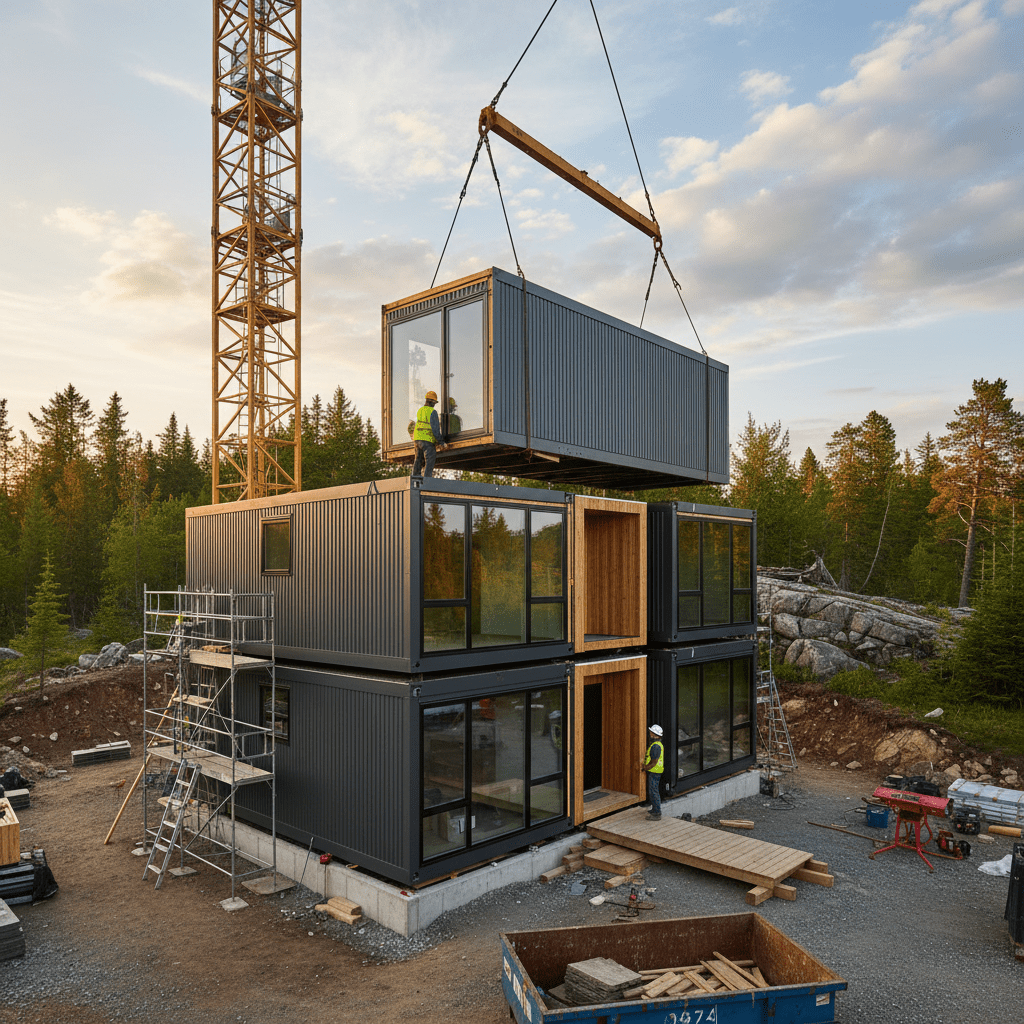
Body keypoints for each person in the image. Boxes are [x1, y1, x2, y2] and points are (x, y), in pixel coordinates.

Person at [412, 390, 445, 477]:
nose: (435, 404)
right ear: (432, 402)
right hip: (427, 439)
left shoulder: (420, 410)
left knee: (418, 459)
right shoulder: (432, 412)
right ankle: (427, 480)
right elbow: (435, 429)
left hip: (417, 438)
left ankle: (415, 477)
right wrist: (441, 442)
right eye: (434, 402)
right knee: (430, 460)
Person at [641, 724, 665, 821]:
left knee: (653, 791)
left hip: (654, 772)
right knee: (653, 791)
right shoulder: (657, 745)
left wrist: (645, 768)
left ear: (655, 734)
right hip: (655, 772)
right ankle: (655, 809)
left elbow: (654, 762)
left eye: (651, 732)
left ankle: (657, 813)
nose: (649, 734)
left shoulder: (656, 746)